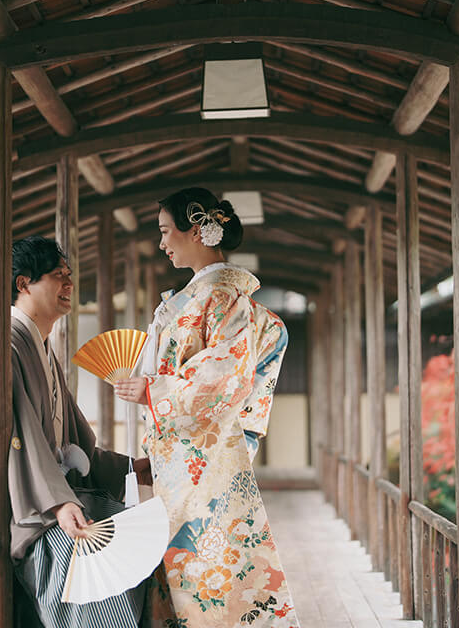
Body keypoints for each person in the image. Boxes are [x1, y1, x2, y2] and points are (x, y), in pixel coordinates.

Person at [0, 236, 152, 627]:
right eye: (58, 276)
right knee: (91, 570)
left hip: (34, 496)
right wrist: (57, 503)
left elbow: (68, 444)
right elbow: (20, 445)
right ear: (23, 284)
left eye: (69, 276)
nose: (69, 285)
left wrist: (130, 468)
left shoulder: (39, 348)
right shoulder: (4, 349)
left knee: (132, 538)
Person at [114, 188, 299, 628]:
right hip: (184, 452)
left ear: (196, 230)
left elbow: (225, 376)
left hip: (203, 457)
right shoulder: (203, 297)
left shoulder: (220, 296)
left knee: (206, 568)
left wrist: (154, 390)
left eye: (165, 231)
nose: (162, 243)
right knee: (191, 567)